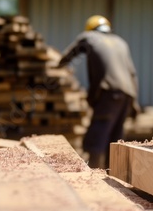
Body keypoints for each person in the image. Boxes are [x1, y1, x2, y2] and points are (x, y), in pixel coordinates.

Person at [58, 15, 140, 168]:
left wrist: (58, 66)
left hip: (109, 93)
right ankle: (114, 174)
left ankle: (93, 175)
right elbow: (133, 74)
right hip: (127, 94)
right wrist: (134, 102)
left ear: (90, 29)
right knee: (115, 138)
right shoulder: (121, 42)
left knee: (98, 135)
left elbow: (70, 54)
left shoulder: (88, 37)